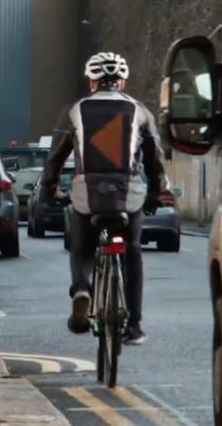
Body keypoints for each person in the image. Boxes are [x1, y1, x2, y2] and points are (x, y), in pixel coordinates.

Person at [41, 52, 169, 346]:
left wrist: (51, 190)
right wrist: (155, 193)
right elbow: (155, 161)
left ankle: (83, 288)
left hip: (87, 193)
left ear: (92, 82)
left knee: (82, 248)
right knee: (133, 250)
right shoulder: (140, 112)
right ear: (122, 82)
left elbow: (54, 160)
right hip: (130, 194)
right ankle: (134, 326)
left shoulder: (73, 112)